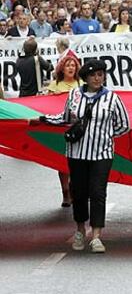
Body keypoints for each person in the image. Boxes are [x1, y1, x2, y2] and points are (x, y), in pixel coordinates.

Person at [35, 60, 130, 253]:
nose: (98, 78)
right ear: (86, 77)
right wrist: (42, 118)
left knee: (98, 192)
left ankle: (96, 235)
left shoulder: (112, 98)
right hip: (77, 152)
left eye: (101, 75)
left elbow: (124, 124)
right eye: (94, 75)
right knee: (78, 192)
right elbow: (65, 118)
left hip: (101, 154)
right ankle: (80, 229)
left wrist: (106, 136)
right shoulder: (74, 95)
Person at [47, 56, 82, 207]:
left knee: (78, 161)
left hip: (78, 129)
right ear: (62, 68)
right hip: (59, 129)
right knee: (61, 162)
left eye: (73, 65)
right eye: (67, 65)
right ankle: (65, 192)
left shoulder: (81, 84)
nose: (70, 68)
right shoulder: (55, 85)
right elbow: (46, 105)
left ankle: (75, 188)